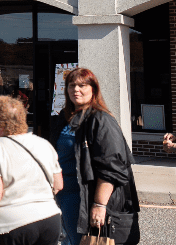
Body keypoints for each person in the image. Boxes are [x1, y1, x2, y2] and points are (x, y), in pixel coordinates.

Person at [49, 68, 140, 245]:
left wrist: (99, 205)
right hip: (63, 196)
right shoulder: (65, 118)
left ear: (93, 89)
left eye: (82, 85)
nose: (76, 89)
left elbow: (112, 168)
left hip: (84, 198)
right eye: (71, 85)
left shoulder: (101, 120)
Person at [0, 96, 63, 245]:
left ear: (0, 122)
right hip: (49, 218)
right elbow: (58, 184)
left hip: (11, 224)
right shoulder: (43, 144)